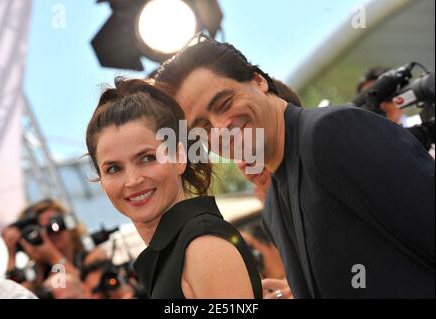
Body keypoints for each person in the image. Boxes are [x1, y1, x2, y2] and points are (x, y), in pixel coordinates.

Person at [154, 35, 435, 298]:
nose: (219, 127)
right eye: (202, 127)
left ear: (259, 80)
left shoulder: (329, 132)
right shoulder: (273, 206)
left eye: (224, 103)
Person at [85, 78, 262, 299]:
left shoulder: (202, 245)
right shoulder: (175, 251)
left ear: (179, 156)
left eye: (147, 158)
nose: (132, 180)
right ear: (100, 180)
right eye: (113, 169)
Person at [1, 199, 86, 291]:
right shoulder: (36, 275)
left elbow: (86, 291)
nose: (48, 234)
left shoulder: (90, 258)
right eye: (41, 229)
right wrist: (11, 254)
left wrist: (53, 257)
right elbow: (14, 294)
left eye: (55, 223)